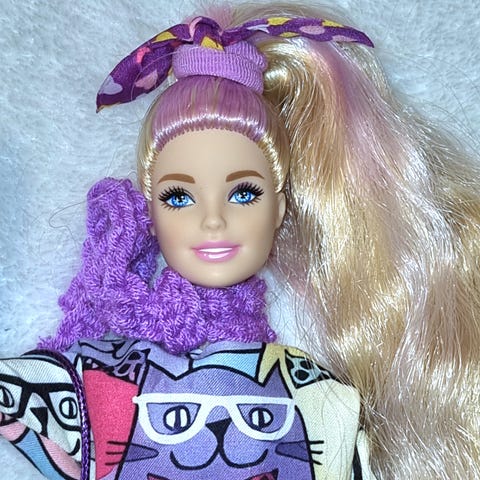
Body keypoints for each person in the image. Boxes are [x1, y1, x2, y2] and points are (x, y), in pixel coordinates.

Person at [1, 3, 479, 479]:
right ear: (150, 216)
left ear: (280, 210)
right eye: (179, 197)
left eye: (244, 193)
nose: (213, 220)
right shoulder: (106, 373)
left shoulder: (312, 395)